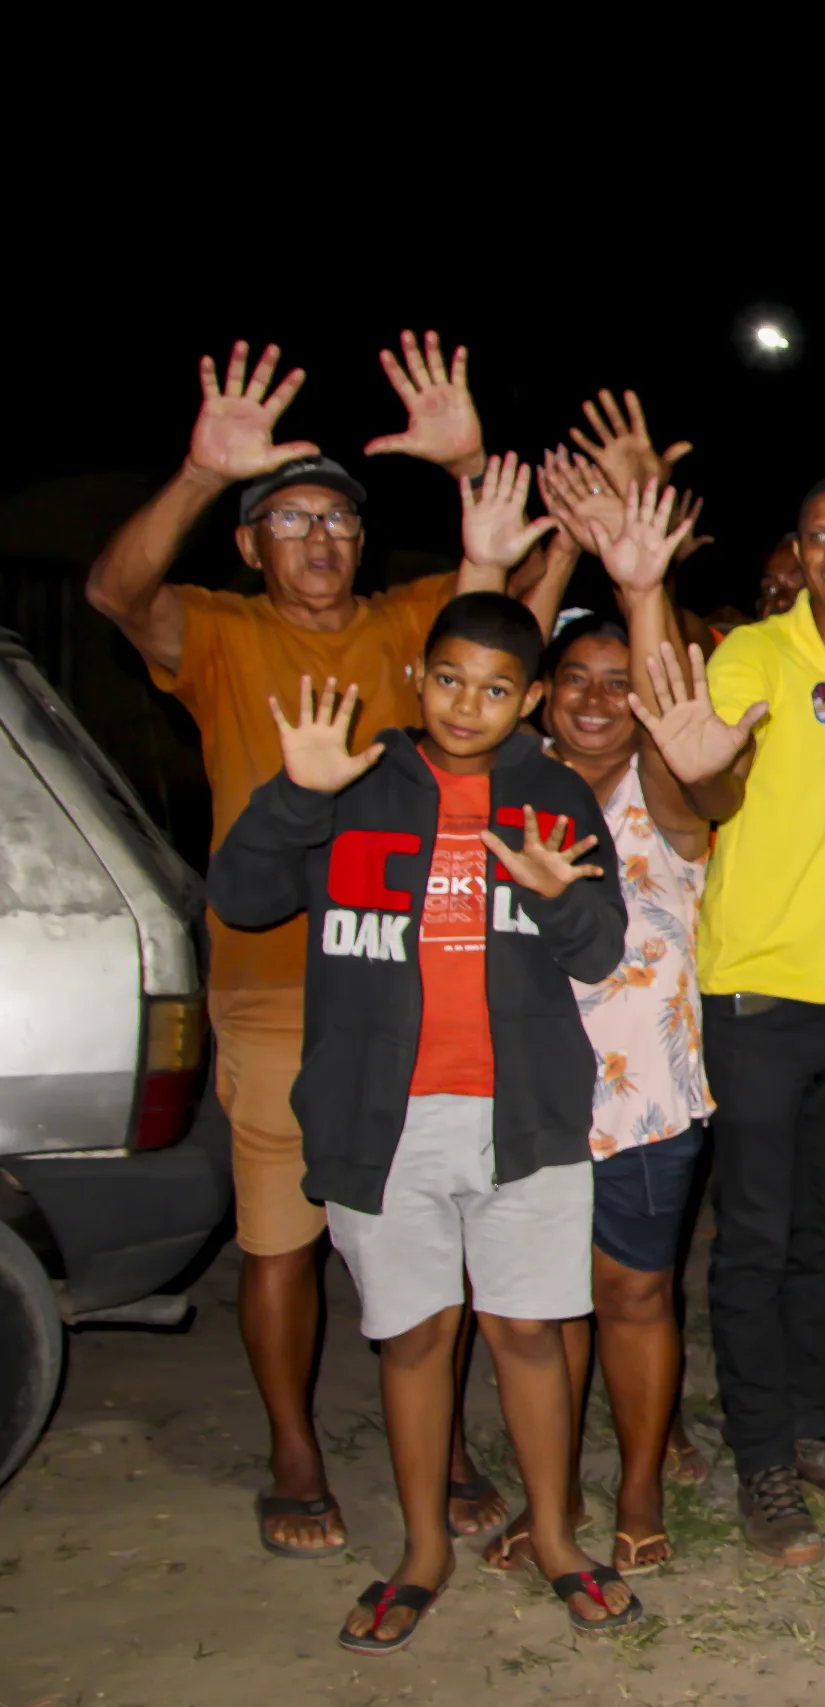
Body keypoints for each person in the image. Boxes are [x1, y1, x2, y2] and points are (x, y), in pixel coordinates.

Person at [84, 334, 532, 1558]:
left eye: (337, 517)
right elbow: (115, 596)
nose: (320, 539)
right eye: (288, 520)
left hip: (418, 987)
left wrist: (477, 462)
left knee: (421, 1229)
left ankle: (439, 1449)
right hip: (277, 983)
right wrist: (194, 471)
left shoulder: (412, 619)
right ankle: (293, 1453)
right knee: (280, 1236)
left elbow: (522, 608)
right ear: (248, 546)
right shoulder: (219, 633)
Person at [205, 596, 636, 1651]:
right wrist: (295, 798)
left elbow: (597, 949)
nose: (466, 705)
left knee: (530, 1333)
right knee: (415, 1339)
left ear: (527, 699)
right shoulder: (355, 784)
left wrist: (554, 897)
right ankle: (423, 1553)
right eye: (449, 679)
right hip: (381, 1118)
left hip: (522, 1116)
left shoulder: (553, 796)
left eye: (495, 689)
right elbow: (242, 895)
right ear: (419, 678)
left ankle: (556, 1540)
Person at [621, 476, 825, 1563]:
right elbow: (711, 785)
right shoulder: (752, 653)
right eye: (820, 536)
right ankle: (759, 1460)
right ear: (797, 552)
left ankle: (803, 1428)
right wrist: (694, 771)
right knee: (751, 1237)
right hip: (754, 986)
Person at [473, 483, 712, 1580]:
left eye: (619, 684)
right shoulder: (509, 789)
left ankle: (643, 1482)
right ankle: (553, 1497)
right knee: (541, 1302)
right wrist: (556, 555)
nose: (599, 699)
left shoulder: (667, 794)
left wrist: (641, 583)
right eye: (576, 680)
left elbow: (673, 710)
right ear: (543, 697)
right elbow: (469, 662)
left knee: (636, 1293)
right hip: (523, 1087)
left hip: (650, 1094)